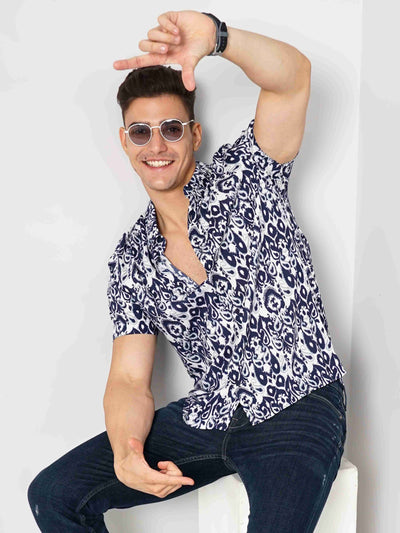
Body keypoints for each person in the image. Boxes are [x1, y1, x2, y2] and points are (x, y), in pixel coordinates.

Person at [27, 9, 348, 533]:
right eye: (141, 132)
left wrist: (219, 37)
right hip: (209, 415)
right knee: (54, 495)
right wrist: (127, 451)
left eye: (171, 129)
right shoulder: (132, 258)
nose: (156, 145)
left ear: (194, 134)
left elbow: (293, 79)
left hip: (296, 403)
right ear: (125, 142)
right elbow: (129, 379)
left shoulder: (247, 178)